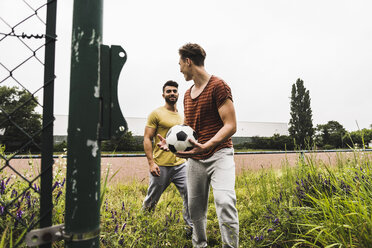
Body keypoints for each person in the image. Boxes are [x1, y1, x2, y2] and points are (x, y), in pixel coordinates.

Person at [158, 43, 239, 247]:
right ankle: (199, 245)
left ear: (188, 61)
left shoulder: (218, 86)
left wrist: (207, 145)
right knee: (195, 209)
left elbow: (231, 125)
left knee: (224, 202)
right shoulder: (186, 94)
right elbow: (189, 129)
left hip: (220, 154)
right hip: (195, 160)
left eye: (180, 64)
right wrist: (172, 145)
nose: (179, 69)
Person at [142, 80, 192, 236]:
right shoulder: (156, 114)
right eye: (168, 91)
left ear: (178, 94)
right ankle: (144, 224)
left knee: (189, 195)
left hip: (180, 165)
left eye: (174, 91)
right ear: (163, 94)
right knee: (152, 199)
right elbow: (147, 138)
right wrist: (151, 163)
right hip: (160, 165)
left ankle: (190, 228)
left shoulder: (182, 116)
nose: (172, 93)